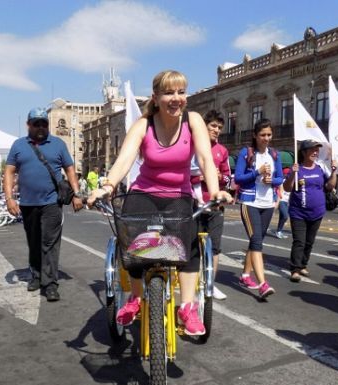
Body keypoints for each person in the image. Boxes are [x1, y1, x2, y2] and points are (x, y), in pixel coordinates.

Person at [87, 70, 233, 336]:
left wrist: (214, 192)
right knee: (132, 243)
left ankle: (187, 307)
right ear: (155, 98)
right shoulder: (144, 125)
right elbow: (124, 160)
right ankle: (135, 298)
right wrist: (106, 187)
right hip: (144, 192)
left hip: (179, 195)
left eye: (180, 92)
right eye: (168, 93)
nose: (176, 98)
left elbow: (204, 159)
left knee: (188, 244)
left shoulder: (194, 120)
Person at [5, 107, 84, 302]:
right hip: (28, 203)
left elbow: (70, 169)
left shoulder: (58, 144)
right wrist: (9, 198)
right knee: (34, 242)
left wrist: (77, 194)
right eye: (36, 123)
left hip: (51, 202)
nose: (40, 127)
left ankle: (50, 284)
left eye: (44, 123)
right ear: (28, 125)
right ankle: (36, 274)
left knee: (49, 242)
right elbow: (9, 172)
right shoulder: (18, 145)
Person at [234, 118, 282, 299]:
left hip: (268, 203)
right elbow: (238, 178)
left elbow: (280, 179)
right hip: (250, 202)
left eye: (269, 134)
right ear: (255, 135)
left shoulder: (274, 154)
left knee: (257, 241)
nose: (266, 138)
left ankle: (245, 275)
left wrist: (273, 181)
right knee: (256, 242)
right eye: (263, 135)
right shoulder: (246, 153)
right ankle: (263, 284)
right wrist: (257, 172)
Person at [189, 110, 232, 300]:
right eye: (213, 126)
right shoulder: (191, 146)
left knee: (214, 246)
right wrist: (203, 175)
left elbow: (229, 179)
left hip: (215, 204)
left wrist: (219, 176)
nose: (217, 130)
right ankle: (191, 283)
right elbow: (183, 175)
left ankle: (210, 284)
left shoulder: (222, 151)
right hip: (194, 203)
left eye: (219, 128)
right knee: (192, 246)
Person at [283, 140, 338, 283]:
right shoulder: (297, 169)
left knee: (309, 242)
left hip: (317, 212)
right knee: (299, 241)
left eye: (317, 150)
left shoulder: (319, 169)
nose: (315, 152)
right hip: (298, 212)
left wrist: (334, 172)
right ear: (304, 152)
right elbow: (287, 188)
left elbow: (330, 186)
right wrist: (291, 175)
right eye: (312, 150)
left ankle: (303, 265)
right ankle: (295, 269)